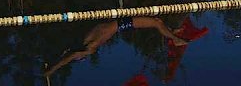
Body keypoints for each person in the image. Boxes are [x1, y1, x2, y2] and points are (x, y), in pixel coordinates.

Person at [44, 17, 188, 79]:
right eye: (80, 57)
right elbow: (68, 58)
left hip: (120, 23)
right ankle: (174, 38)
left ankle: (172, 33)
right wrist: (53, 69)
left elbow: (67, 56)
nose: (80, 57)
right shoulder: (89, 48)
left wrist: (54, 67)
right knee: (156, 22)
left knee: (157, 21)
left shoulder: (86, 41)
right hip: (121, 24)